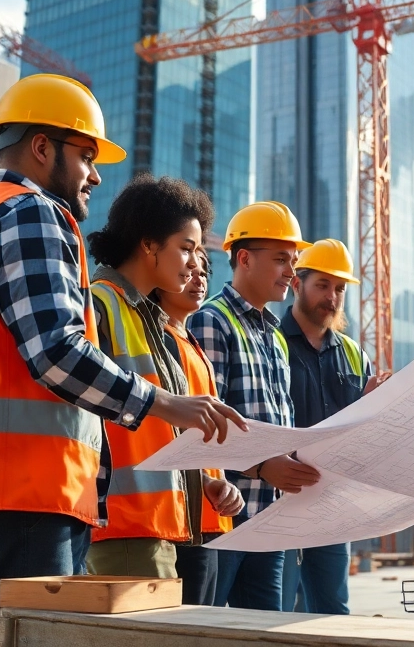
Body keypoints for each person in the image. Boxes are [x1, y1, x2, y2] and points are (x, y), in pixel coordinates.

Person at [0, 74, 247, 647]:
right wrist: (164, 403)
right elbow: (56, 350)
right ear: (43, 148)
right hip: (21, 493)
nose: (95, 174)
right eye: (87, 155)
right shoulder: (30, 212)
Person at [83, 174, 244, 591]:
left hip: (157, 525)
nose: (195, 264)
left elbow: (157, 438)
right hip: (124, 527)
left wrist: (202, 481)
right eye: (186, 249)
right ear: (148, 243)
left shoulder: (149, 322)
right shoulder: (99, 304)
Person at [188, 201, 323, 611]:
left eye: (294, 261)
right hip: (224, 515)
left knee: (263, 631)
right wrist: (264, 467)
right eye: (281, 259)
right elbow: (203, 426)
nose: (291, 272)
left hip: (270, 516)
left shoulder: (276, 337)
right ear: (244, 258)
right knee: (207, 633)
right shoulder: (212, 321)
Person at [278, 239, 391, 614]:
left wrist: (374, 403)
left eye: (339, 288)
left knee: (332, 612)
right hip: (279, 496)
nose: (332, 296)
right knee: (271, 612)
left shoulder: (355, 354)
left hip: (332, 501)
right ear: (297, 284)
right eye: (322, 285)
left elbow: (363, 431)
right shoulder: (270, 342)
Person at [155, 254, 241, 605]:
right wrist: (204, 482)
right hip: (180, 518)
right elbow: (163, 431)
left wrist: (219, 482)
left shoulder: (192, 345)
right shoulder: (160, 342)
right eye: (189, 271)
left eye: (204, 271)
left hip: (209, 515)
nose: (200, 278)